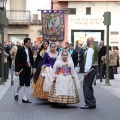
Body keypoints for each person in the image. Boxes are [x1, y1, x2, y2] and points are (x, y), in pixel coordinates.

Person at [14, 38, 36, 103]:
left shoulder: (30, 50)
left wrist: (34, 67)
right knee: (22, 82)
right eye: (29, 43)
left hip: (28, 68)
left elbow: (31, 60)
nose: (30, 44)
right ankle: (16, 92)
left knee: (27, 83)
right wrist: (16, 71)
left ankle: (24, 98)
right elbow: (17, 60)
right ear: (25, 43)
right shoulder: (20, 50)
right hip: (22, 68)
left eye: (30, 42)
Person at [80, 37, 98, 109]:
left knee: (86, 86)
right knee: (89, 86)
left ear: (88, 42)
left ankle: (88, 103)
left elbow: (89, 60)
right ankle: (92, 102)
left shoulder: (90, 49)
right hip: (93, 68)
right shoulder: (95, 48)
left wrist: (86, 71)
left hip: (90, 69)